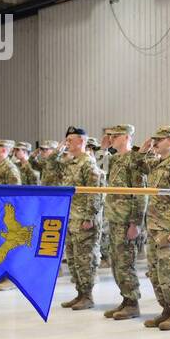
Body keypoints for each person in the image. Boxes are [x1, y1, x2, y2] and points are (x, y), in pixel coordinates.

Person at [40, 127, 104, 310]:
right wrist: (59, 149)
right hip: (70, 217)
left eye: (70, 140)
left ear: (81, 141)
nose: (67, 143)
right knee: (74, 259)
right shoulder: (71, 162)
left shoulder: (88, 164)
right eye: (66, 140)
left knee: (85, 259)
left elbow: (95, 193)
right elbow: (50, 164)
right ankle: (80, 293)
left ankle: (88, 295)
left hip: (84, 219)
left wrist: (89, 217)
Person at [135, 127, 170, 331]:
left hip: (168, 230)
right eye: (154, 139)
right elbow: (137, 165)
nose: (155, 142)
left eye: (160, 140)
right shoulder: (157, 164)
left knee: (168, 273)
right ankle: (166, 310)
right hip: (154, 228)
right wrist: (143, 150)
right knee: (155, 272)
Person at [103, 124, 147, 321]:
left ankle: (132, 303)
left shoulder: (134, 159)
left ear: (127, 137)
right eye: (110, 135)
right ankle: (125, 298)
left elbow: (141, 194)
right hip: (114, 217)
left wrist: (136, 223)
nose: (111, 138)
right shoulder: (114, 159)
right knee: (116, 263)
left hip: (126, 220)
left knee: (125, 263)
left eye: (116, 135)